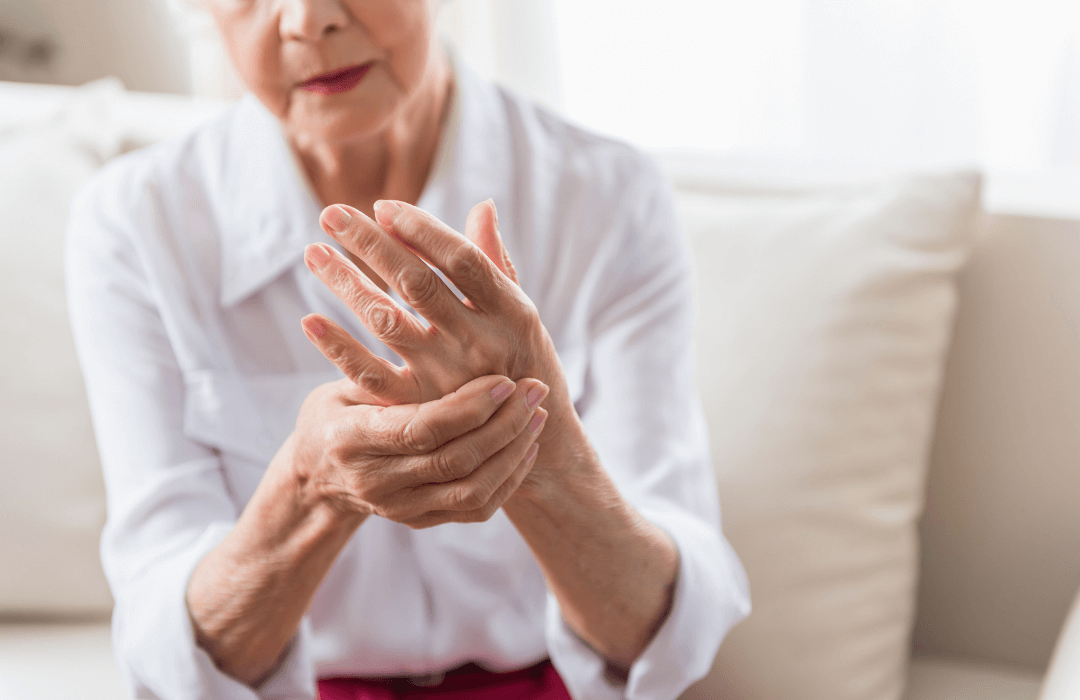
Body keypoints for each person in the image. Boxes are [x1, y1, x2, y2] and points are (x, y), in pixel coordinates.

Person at [65, 1, 750, 698]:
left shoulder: (606, 196)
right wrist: (307, 487)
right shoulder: (136, 225)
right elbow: (165, 645)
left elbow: (667, 630)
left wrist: (541, 446)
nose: (306, 20)